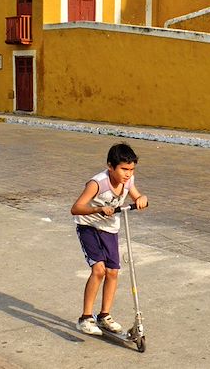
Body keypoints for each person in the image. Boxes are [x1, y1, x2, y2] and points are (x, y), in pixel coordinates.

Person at [71, 143, 149, 336]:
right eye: (123, 169)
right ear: (110, 166)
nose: (128, 174)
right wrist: (98, 209)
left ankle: (104, 316)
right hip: (89, 226)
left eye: (131, 169)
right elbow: (76, 208)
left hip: (109, 229)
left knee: (112, 272)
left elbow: (138, 196)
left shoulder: (128, 181)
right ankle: (85, 318)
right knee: (99, 270)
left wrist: (141, 199)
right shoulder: (97, 183)